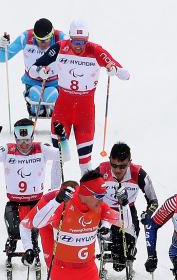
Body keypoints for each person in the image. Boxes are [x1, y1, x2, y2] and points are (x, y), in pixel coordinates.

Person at [32, 19, 130, 173]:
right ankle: (54, 193)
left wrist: (114, 70)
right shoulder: (60, 47)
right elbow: (35, 67)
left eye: (82, 42)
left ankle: (87, 194)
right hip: (62, 110)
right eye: (75, 42)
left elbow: (126, 75)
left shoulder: (96, 50)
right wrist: (40, 71)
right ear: (69, 37)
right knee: (58, 159)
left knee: (85, 162)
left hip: (85, 113)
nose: (78, 46)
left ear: (87, 39)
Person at [0, 119, 70, 280]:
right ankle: (12, 243)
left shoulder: (41, 148)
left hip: (37, 202)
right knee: (15, 231)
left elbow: (65, 157)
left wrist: (62, 138)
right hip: (14, 201)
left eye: (27, 140)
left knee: (35, 229)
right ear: (15, 139)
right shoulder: (8, 150)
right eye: (20, 141)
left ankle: (33, 247)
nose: (24, 144)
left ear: (32, 137)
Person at [96, 142, 159, 276]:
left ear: (129, 162)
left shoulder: (139, 173)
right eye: (113, 165)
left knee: (121, 261)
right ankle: (115, 249)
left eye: (122, 166)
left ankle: (126, 250)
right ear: (109, 161)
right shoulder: (101, 171)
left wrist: (148, 213)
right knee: (112, 243)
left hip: (128, 212)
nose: (117, 170)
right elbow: (87, 191)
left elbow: (153, 200)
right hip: (105, 212)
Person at [0, 18, 67, 117]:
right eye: (39, 40)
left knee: (52, 94)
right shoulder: (26, 37)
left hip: (55, 83)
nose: (42, 44)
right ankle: (37, 109)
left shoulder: (61, 38)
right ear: (34, 36)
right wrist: (2, 47)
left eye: (46, 40)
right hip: (32, 82)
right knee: (35, 94)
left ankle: (52, 109)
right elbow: (2, 58)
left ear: (52, 35)